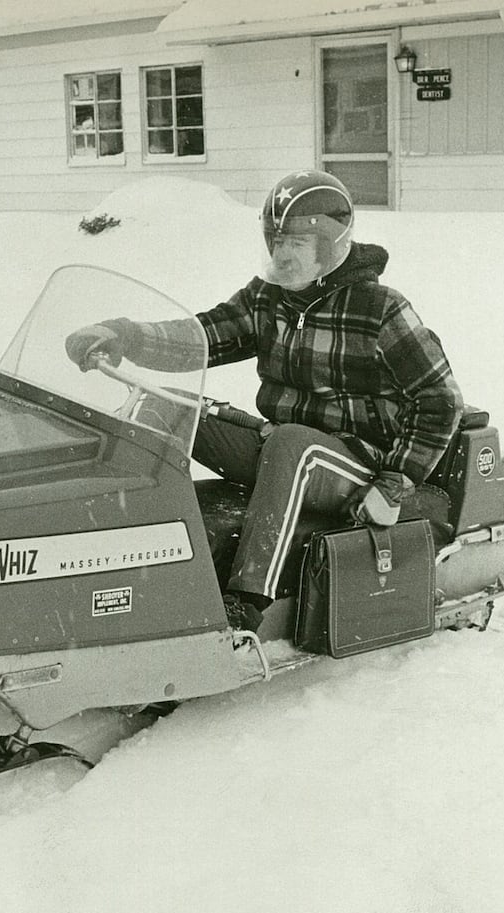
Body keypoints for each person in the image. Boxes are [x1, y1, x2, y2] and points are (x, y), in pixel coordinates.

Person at [65, 169, 463, 632]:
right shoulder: (269, 298)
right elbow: (203, 336)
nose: (282, 254)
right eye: (276, 240)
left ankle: (246, 604)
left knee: (294, 445)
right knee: (162, 406)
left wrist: (395, 480)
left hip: (358, 461)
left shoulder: (381, 309)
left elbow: (441, 400)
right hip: (282, 447)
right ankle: (115, 557)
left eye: (296, 242)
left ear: (330, 244)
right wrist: (124, 335)